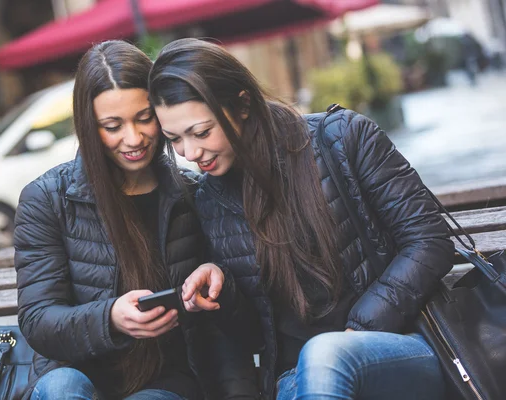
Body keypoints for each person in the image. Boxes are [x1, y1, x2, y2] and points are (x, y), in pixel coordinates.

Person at [148, 38, 454, 400]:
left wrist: (357, 332)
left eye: (201, 132)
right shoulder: (209, 198)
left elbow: (429, 241)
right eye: (175, 139)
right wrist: (224, 290)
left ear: (242, 104)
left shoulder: (342, 138)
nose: (190, 152)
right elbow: (253, 337)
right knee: (313, 368)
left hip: (401, 346)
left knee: (325, 354)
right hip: (297, 379)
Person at [14, 40, 256, 400]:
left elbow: (230, 325)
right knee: (64, 389)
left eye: (144, 118)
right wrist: (110, 318)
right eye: (112, 125)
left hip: (164, 379)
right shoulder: (48, 199)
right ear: (88, 124)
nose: (134, 138)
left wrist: (218, 283)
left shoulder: (193, 194)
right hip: (73, 371)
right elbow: (38, 319)